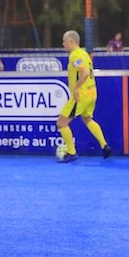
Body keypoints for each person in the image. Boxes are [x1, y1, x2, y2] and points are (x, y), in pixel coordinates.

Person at [56, 30, 111, 162]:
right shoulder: (84, 53)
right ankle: (104, 145)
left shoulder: (75, 55)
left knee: (61, 123)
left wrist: (76, 87)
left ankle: (71, 152)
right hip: (92, 93)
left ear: (70, 41)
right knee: (87, 119)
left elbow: (85, 73)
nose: (63, 44)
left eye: (64, 41)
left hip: (81, 95)